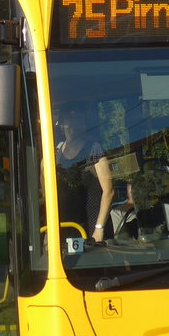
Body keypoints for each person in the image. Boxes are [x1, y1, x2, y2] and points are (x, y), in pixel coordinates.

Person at [55, 103, 114, 243]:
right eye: (69, 122)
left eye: (78, 122)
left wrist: (99, 228)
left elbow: (109, 191)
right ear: (62, 126)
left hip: (93, 222)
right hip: (66, 223)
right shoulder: (54, 154)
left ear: (84, 126)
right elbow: (45, 188)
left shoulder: (94, 150)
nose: (73, 127)